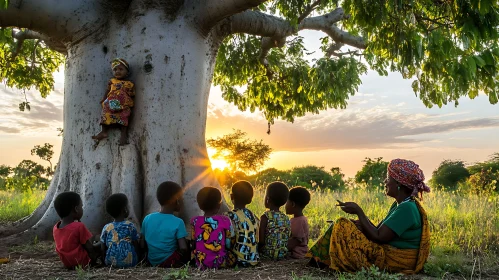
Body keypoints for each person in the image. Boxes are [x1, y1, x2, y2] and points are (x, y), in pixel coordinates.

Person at [307, 159, 431, 274]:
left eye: (388, 178)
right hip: (390, 254)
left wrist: (359, 211)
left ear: (398, 183)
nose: (385, 181)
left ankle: (326, 262)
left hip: (396, 260)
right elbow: (378, 230)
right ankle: (320, 260)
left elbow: (379, 237)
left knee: (342, 224)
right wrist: (361, 224)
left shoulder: (407, 208)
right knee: (344, 225)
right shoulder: (401, 205)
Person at [141, 181, 189, 267]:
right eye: (181, 198)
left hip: (151, 260)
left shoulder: (147, 218)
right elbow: (183, 248)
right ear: (176, 200)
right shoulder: (178, 222)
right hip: (169, 262)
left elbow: (142, 244)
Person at [92, 58, 135, 145]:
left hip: (123, 104)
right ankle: (104, 131)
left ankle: (123, 135)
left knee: (124, 116)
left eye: (121, 69)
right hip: (110, 104)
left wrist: (130, 93)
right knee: (105, 115)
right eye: (115, 70)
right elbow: (107, 91)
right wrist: (103, 99)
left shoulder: (129, 83)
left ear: (127, 72)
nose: (117, 71)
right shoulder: (112, 82)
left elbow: (132, 93)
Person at [52, 191, 101, 269]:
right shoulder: (79, 226)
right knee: (101, 242)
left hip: (67, 263)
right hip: (82, 263)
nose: (82, 209)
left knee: (94, 238)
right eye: (81, 207)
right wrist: (94, 260)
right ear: (76, 209)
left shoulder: (56, 227)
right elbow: (90, 249)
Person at [191, 187, 235, 269]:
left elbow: (193, 243)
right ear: (219, 205)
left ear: (200, 206)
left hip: (200, 263)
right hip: (221, 263)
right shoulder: (225, 220)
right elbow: (229, 244)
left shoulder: (194, 221)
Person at [224, 180, 260, 267]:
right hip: (254, 258)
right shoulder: (254, 216)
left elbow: (228, 242)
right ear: (250, 199)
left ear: (231, 196)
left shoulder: (229, 216)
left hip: (237, 260)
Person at [100, 193, 140, 268]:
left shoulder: (106, 227)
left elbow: (102, 248)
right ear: (124, 209)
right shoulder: (130, 225)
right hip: (130, 263)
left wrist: (104, 260)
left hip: (111, 263)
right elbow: (136, 245)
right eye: (128, 206)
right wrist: (138, 258)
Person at [258, 181, 291, 260]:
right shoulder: (286, 218)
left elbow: (261, 241)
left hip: (267, 255)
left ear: (268, 199)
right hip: (282, 254)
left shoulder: (265, 217)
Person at [285, 187, 311, 259]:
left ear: (293, 204)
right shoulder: (302, 219)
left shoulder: (298, 221)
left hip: (298, 254)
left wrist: (282, 248)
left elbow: (296, 240)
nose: (285, 205)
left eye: (287, 202)